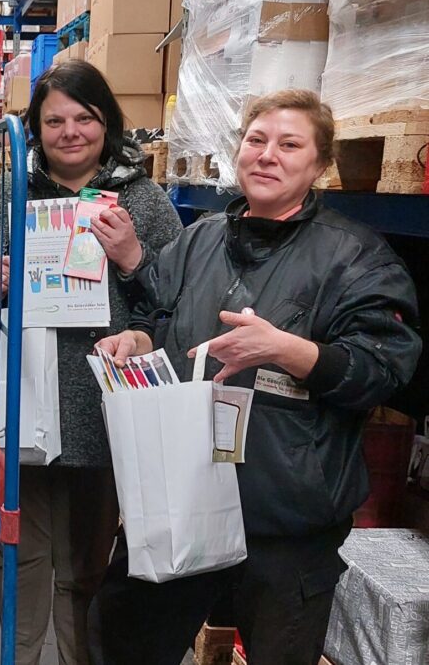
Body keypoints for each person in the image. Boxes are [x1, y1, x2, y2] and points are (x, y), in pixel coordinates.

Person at [91, 89, 422, 664]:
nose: (268, 155)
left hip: (285, 523)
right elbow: (160, 317)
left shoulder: (356, 258)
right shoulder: (201, 239)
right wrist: (137, 341)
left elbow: (383, 369)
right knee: (121, 638)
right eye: (257, 140)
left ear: (320, 166)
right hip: (182, 505)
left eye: (290, 145)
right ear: (239, 152)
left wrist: (288, 350)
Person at [0, 61, 184, 664]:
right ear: (34, 127)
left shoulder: (143, 201)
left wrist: (133, 258)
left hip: (102, 406)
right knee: (22, 556)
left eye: (85, 118)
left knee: (85, 565)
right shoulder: (4, 195)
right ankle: (19, 655)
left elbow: (178, 302)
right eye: (54, 119)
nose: (70, 131)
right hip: (19, 401)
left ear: (107, 124)